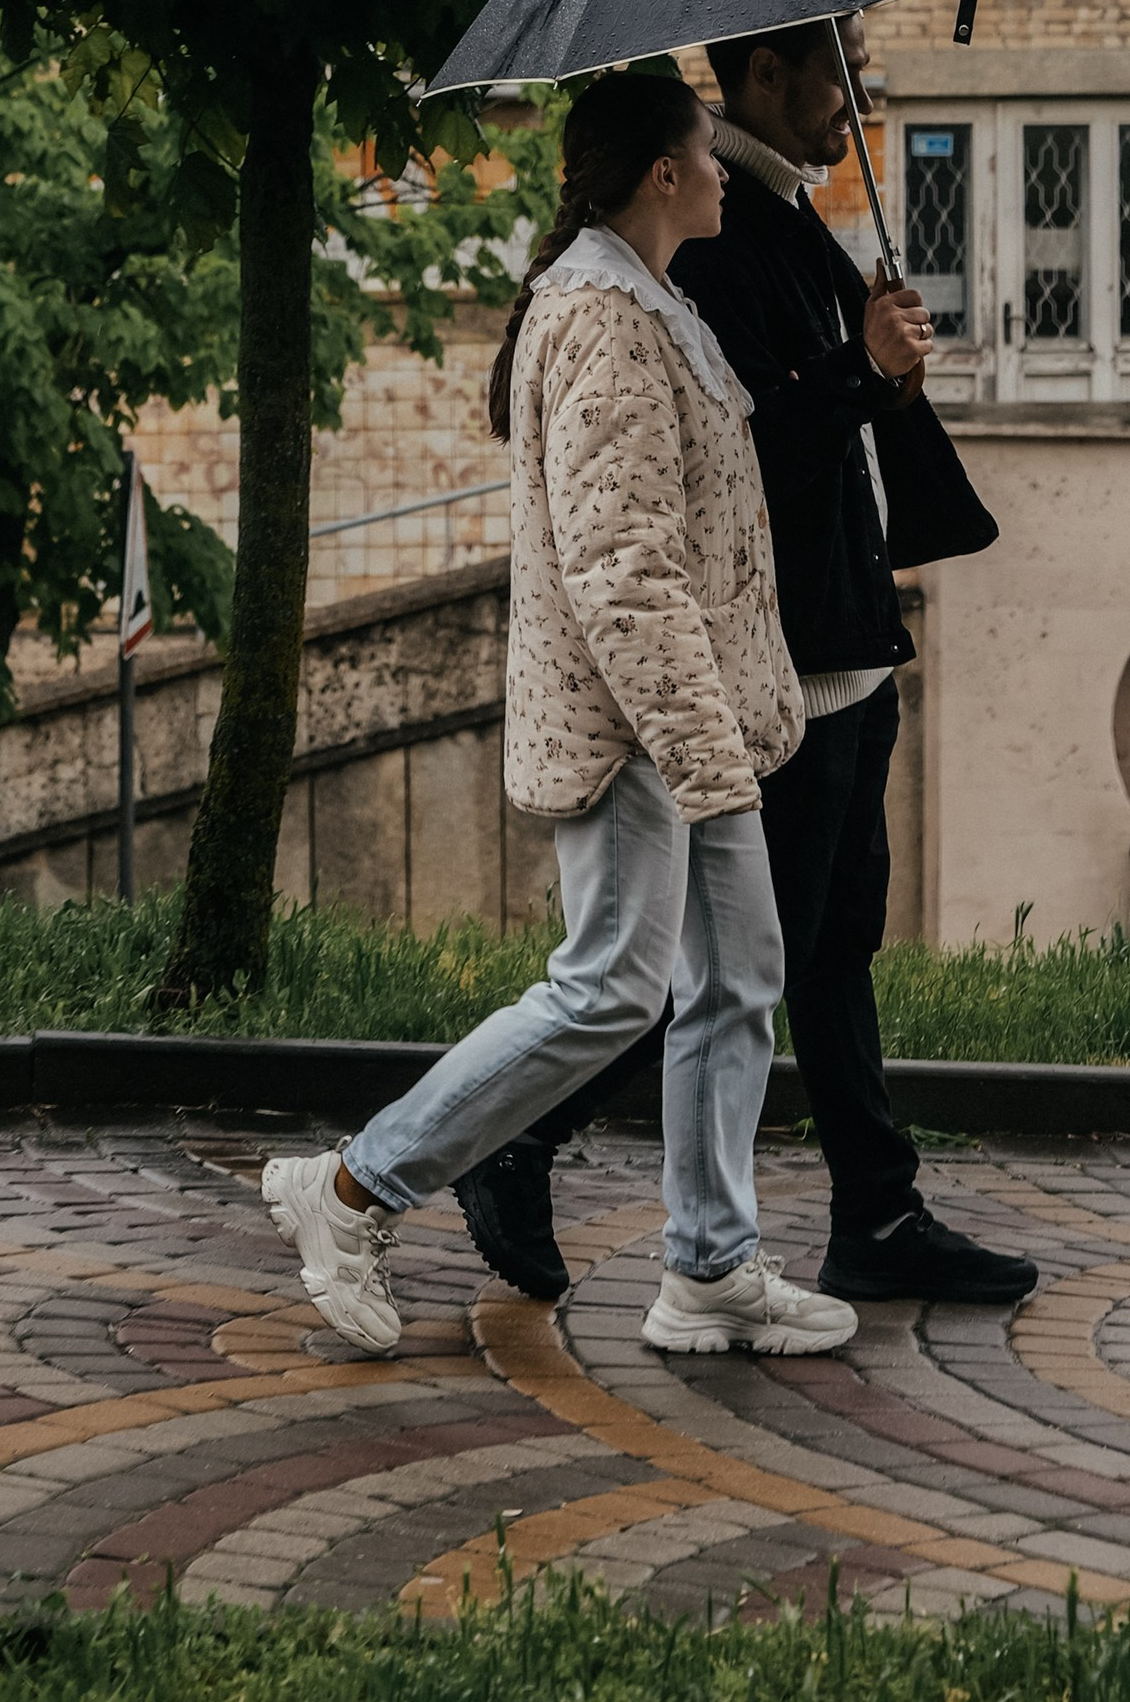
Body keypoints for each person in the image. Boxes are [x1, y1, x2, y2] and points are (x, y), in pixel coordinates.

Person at [262, 67, 857, 1362]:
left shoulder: (650, 303)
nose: (718, 170)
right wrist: (708, 760)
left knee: (737, 983)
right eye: (704, 151)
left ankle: (708, 1268)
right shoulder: (601, 315)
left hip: (693, 729)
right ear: (661, 172)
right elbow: (622, 568)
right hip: (647, 734)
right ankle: (354, 1186)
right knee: (610, 989)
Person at [454, 13, 1037, 1315]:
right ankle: (518, 1142)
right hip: (787, 667)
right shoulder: (714, 230)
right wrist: (858, 368)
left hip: (844, 647)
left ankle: (877, 1211)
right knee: (729, 967)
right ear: (762, 79)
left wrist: (877, 374)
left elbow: (814, 425)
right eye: (838, 75)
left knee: (826, 951)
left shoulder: (779, 214)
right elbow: (740, 450)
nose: (857, 101)